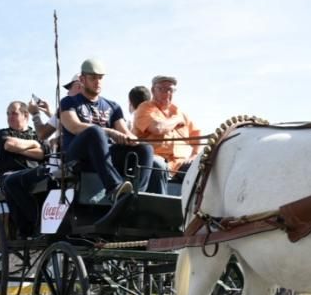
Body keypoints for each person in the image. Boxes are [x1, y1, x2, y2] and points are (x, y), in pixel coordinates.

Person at [59, 58, 162, 200]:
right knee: (95, 131)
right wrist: (108, 131)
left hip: (105, 156)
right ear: (82, 79)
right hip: (78, 157)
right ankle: (114, 187)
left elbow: (125, 132)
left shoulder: (113, 106)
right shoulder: (68, 102)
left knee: (145, 149)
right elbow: (74, 127)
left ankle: (136, 197)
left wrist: (132, 140)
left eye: (100, 78)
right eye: (93, 78)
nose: (98, 82)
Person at [133, 74, 202, 181]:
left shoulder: (180, 112)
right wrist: (176, 120)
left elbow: (197, 135)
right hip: (153, 161)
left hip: (179, 165)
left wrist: (194, 156)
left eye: (170, 90)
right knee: (159, 166)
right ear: (153, 90)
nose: (166, 93)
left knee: (202, 169)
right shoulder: (145, 108)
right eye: (161, 89)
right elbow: (158, 128)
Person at [0, 101, 49, 237]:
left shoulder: (37, 133)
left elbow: (43, 153)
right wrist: (33, 144)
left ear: (26, 115)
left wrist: (19, 149)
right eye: (8, 114)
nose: (9, 117)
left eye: (14, 113)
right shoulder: (3, 133)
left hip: (34, 173)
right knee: (12, 183)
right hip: (9, 175)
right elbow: (9, 145)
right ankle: (32, 225)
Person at [30, 73, 83, 143]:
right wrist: (48, 112)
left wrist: (35, 114)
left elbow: (42, 134)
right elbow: (65, 123)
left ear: (78, 86)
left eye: (70, 88)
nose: (68, 92)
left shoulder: (68, 103)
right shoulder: (99, 104)